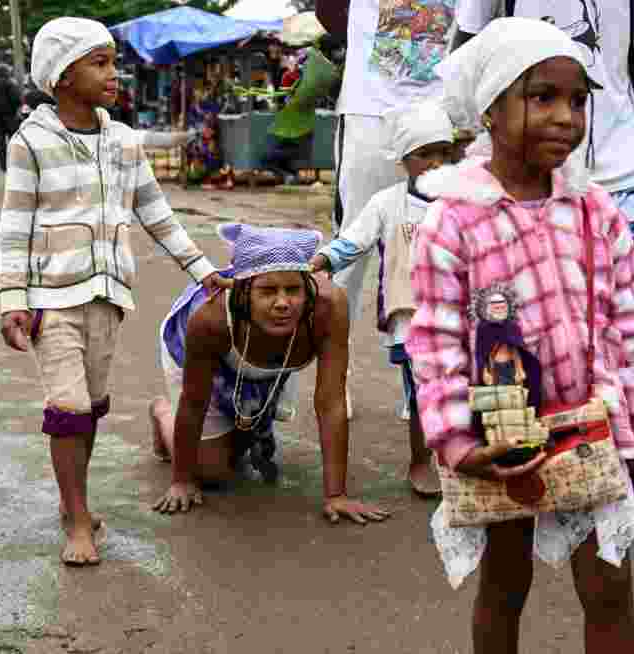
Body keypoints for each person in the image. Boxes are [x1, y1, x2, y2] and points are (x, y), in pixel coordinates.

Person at [407, 18, 634, 652]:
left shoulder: (593, 209)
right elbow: (437, 343)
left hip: (594, 425)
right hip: (503, 435)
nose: (565, 118)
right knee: (504, 581)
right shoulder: (452, 220)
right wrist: (455, 440)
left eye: (578, 101)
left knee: (610, 583)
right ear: (490, 111)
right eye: (542, 97)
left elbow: (631, 323)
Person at [0, 17, 230, 566]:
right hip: (50, 300)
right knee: (69, 406)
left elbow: (157, 214)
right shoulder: (30, 142)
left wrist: (202, 270)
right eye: (98, 63)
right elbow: (14, 226)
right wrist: (13, 299)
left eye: (112, 61)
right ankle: (77, 521)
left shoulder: (123, 142)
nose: (113, 73)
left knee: (91, 409)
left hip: (108, 298)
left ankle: (72, 501)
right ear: (61, 77)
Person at [452, 0, 634, 379]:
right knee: (524, 342)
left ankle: (624, 435)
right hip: (525, 186)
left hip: (624, 178)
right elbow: (468, 44)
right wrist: (458, 143)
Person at [149, 223, 391, 526]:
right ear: (243, 292)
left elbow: (331, 402)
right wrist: (182, 480)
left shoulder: (330, 307)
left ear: (308, 288)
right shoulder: (208, 319)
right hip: (202, 359)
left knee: (239, 439)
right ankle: (161, 413)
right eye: (267, 291)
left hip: (270, 358)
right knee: (213, 473)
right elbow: (194, 402)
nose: (282, 303)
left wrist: (336, 495)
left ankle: (242, 426)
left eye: (293, 290)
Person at [315, 0, 456, 417]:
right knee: (349, 253)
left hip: (439, 118)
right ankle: (333, 379)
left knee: (444, 252)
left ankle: (432, 384)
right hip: (368, 114)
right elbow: (329, 12)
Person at [309, 100, 456, 498]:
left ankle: (461, 456)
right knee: (422, 392)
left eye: (445, 153)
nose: (437, 163)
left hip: (464, 316)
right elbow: (353, 241)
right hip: (411, 318)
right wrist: (322, 260)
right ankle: (421, 460)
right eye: (425, 155)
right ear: (404, 159)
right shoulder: (387, 203)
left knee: (464, 389)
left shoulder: (463, 199)